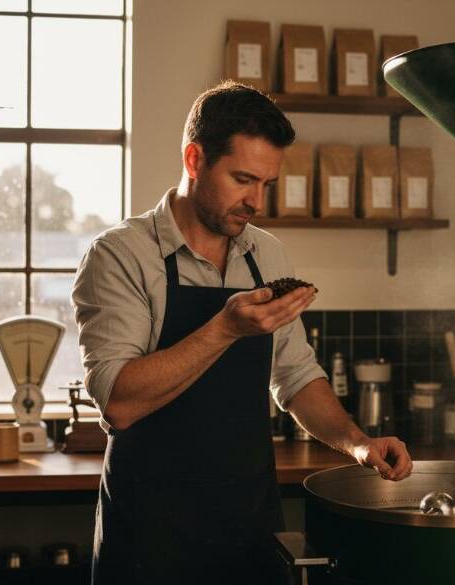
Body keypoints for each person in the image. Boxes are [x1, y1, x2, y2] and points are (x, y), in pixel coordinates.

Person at [72, 80, 413, 585]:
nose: (256, 200)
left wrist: (358, 443)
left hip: (246, 523)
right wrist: (225, 328)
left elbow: (295, 376)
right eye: (242, 179)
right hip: (152, 533)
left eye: (266, 185)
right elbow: (119, 402)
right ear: (194, 160)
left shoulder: (266, 255)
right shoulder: (121, 255)